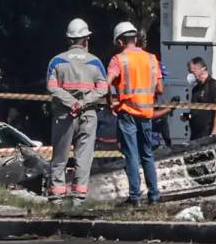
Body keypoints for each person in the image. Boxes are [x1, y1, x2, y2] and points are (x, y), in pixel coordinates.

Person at [45, 18, 108, 204]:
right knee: (84, 158)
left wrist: (71, 102)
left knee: (59, 157)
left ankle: (56, 198)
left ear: (69, 40)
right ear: (86, 40)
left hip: (64, 115)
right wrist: (83, 102)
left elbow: (51, 87)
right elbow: (103, 88)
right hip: (88, 115)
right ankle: (78, 199)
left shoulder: (56, 61)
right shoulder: (95, 62)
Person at [107, 21, 164, 206]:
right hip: (146, 112)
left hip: (128, 113)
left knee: (131, 154)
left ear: (121, 42)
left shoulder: (118, 59)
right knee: (147, 154)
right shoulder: (151, 58)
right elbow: (160, 88)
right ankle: (154, 196)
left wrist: (111, 100)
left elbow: (106, 83)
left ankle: (135, 197)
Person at [182, 57, 216, 140]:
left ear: (202, 69)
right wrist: (187, 116)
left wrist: (214, 133)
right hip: (195, 134)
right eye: (189, 72)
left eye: (192, 72)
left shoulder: (213, 85)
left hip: (207, 133)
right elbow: (196, 112)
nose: (190, 75)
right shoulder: (195, 89)